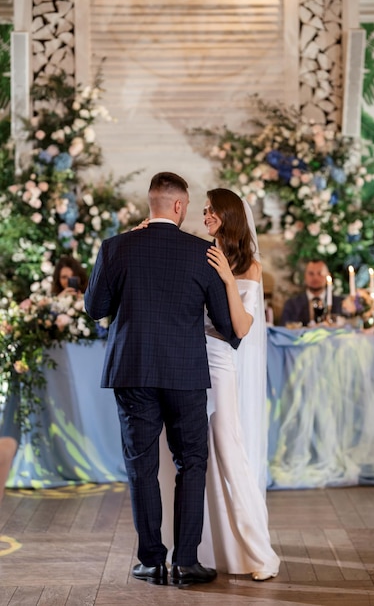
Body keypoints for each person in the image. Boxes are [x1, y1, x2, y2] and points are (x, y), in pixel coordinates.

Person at [84, 172, 239, 588]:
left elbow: (95, 307)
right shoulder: (202, 254)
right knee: (192, 464)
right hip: (185, 373)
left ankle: (151, 561)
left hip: (132, 370)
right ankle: (186, 562)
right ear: (177, 205)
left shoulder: (115, 247)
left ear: (150, 203)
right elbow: (228, 327)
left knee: (141, 467)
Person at [198, 188, 280, 581]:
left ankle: (256, 552)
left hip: (220, 363)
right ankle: (210, 547)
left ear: (228, 215)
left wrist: (229, 281)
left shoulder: (249, 266)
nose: (205, 213)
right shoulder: (200, 253)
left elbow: (242, 327)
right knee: (195, 457)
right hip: (189, 361)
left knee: (228, 446)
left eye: (211, 209)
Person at [280, 259, 343, 327]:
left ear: (328, 276)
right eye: (311, 274)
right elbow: (284, 329)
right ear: (305, 276)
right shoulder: (292, 305)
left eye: (320, 273)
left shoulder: (340, 303)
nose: (315, 278)